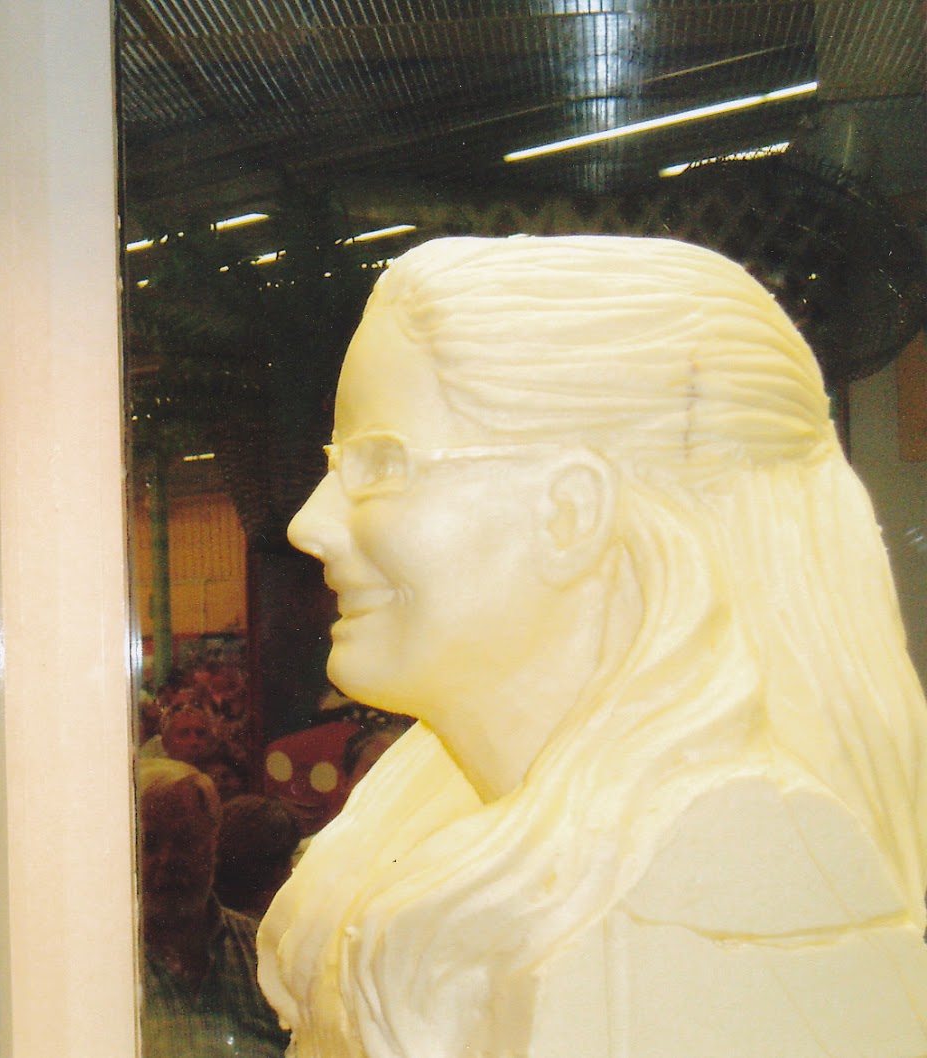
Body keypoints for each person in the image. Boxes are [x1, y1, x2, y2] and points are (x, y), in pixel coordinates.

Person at [261, 236, 927, 1057]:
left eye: (379, 465)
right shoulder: (448, 830)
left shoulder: (727, 879)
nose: (310, 524)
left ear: (571, 512)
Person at [137, 757, 288, 1058]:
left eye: (185, 840)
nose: (167, 861)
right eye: (149, 843)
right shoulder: (104, 965)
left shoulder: (265, 954)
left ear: (213, 842)